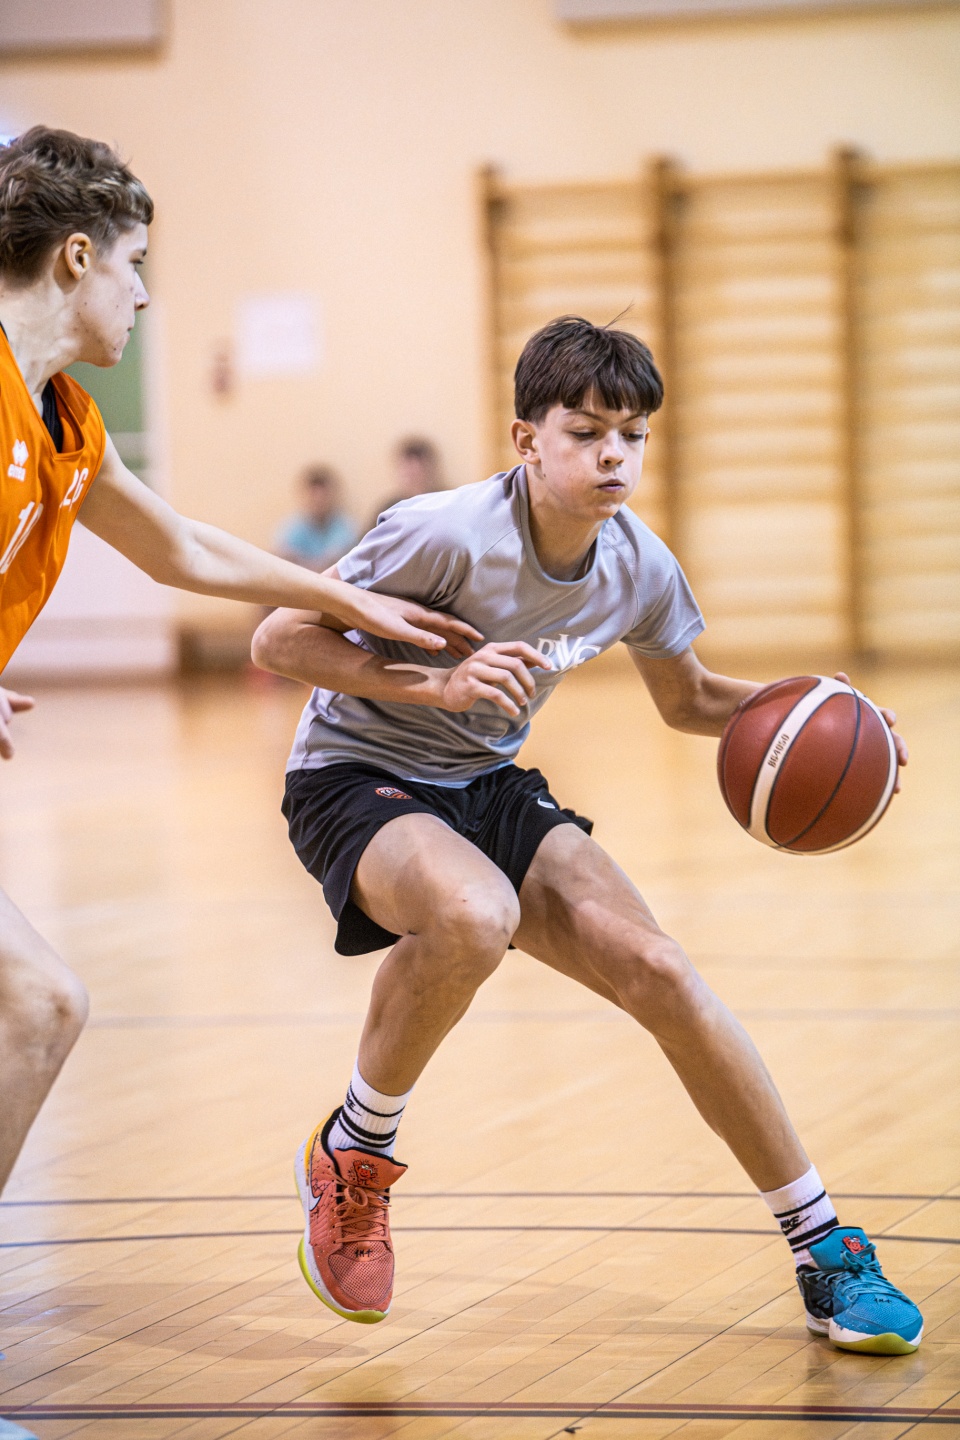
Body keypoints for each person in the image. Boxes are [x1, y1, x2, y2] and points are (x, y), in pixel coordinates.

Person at [252, 315, 923, 1356]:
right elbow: (280, 637)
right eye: (587, 432)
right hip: (354, 774)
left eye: (633, 436)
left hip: (482, 780)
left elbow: (690, 699)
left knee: (661, 969)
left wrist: (826, 714)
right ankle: (356, 1153)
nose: (615, 456)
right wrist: (436, 683)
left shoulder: (638, 565)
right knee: (475, 914)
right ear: (527, 439)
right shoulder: (443, 534)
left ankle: (823, 1247)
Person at [0, 127, 478, 1215]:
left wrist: (345, 599)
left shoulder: (62, 418)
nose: (143, 294)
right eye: (135, 265)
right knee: (37, 1005)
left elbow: (182, 547)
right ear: (77, 257)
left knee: (40, 1008)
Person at [275, 464, 358, 573]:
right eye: (314, 496)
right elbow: (282, 556)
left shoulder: (345, 526)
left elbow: (340, 560)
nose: (319, 501)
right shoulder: (292, 527)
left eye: (323, 496)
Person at [365, 434, 444, 531]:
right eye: (407, 470)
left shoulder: (443, 503)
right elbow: (367, 538)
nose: (412, 475)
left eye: (416, 470)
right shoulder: (389, 508)